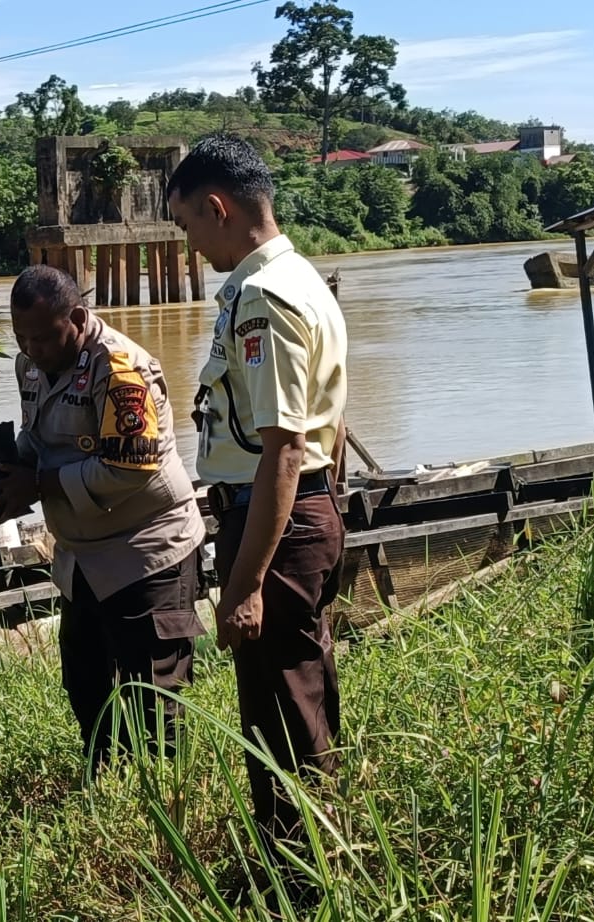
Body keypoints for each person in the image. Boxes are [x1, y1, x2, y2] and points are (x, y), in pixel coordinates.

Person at [166, 134, 348, 854]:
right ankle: (316, 852)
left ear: (217, 207)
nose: (190, 246)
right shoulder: (301, 279)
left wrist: (245, 584)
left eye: (187, 227)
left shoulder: (264, 298)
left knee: (278, 707)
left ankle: (299, 874)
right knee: (301, 690)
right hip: (304, 512)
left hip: (276, 521)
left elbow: (283, 448)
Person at [0, 264, 206, 773]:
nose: (31, 348)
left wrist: (37, 485)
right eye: (21, 337)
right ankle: (107, 787)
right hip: (83, 557)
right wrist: (8, 469)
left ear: (78, 317)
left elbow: (129, 466)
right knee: (85, 683)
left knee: (153, 691)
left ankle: (169, 799)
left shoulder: (122, 369)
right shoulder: (31, 364)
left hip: (147, 549)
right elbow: (37, 437)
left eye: (42, 336)